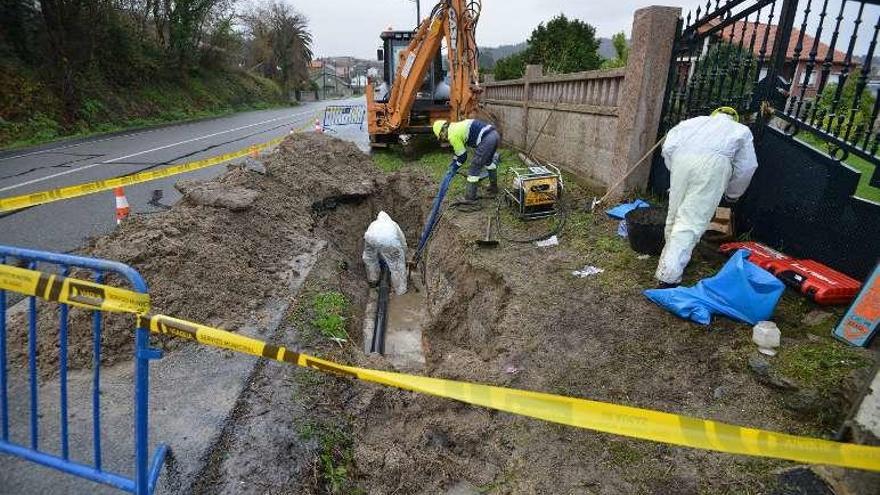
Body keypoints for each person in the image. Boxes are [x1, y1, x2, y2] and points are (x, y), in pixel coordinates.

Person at [655, 107, 758, 288]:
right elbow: (747, 167)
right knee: (691, 221)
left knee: (675, 213)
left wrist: (675, 169)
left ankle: (669, 260)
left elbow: (668, 147)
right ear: (735, 118)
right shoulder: (741, 130)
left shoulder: (692, 123)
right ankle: (668, 276)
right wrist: (733, 193)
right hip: (713, 166)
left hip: (681, 160)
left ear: (714, 114)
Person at [432, 118, 499, 204]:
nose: (443, 139)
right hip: (495, 135)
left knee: (474, 167)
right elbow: (459, 152)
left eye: (441, 136)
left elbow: (463, 156)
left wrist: (455, 167)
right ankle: (493, 187)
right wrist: (454, 162)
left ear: (442, 132)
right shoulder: (454, 127)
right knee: (488, 162)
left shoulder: (452, 136)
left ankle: (470, 198)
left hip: (487, 139)